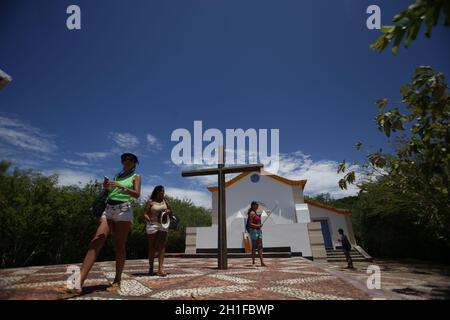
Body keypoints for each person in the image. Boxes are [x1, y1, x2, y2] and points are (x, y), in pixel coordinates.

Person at [60, 153, 141, 296]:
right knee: (96, 241)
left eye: (131, 160)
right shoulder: (117, 175)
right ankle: (78, 284)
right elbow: (111, 192)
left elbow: (136, 194)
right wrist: (107, 186)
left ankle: (117, 280)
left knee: (119, 245)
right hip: (109, 209)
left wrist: (122, 187)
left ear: (135, 163)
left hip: (123, 211)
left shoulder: (136, 176)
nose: (127, 161)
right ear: (122, 162)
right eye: (125, 159)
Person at [144, 185, 173, 277]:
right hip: (153, 225)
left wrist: (168, 211)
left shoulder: (165, 201)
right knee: (152, 247)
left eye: (163, 192)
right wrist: (150, 220)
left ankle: (160, 269)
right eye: (161, 192)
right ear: (156, 192)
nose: (163, 194)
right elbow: (145, 214)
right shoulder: (150, 202)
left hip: (163, 224)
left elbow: (171, 211)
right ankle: (151, 268)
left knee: (162, 246)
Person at [247, 201, 267, 267]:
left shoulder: (255, 213)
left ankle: (262, 262)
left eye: (258, 205)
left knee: (260, 246)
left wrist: (259, 226)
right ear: (253, 205)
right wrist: (257, 226)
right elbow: (250, 223)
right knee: (254, 246)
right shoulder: (252, 213)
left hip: (258, 231)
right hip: (254, 231)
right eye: (256, 205)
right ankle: (253, 262)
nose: (257, 206)